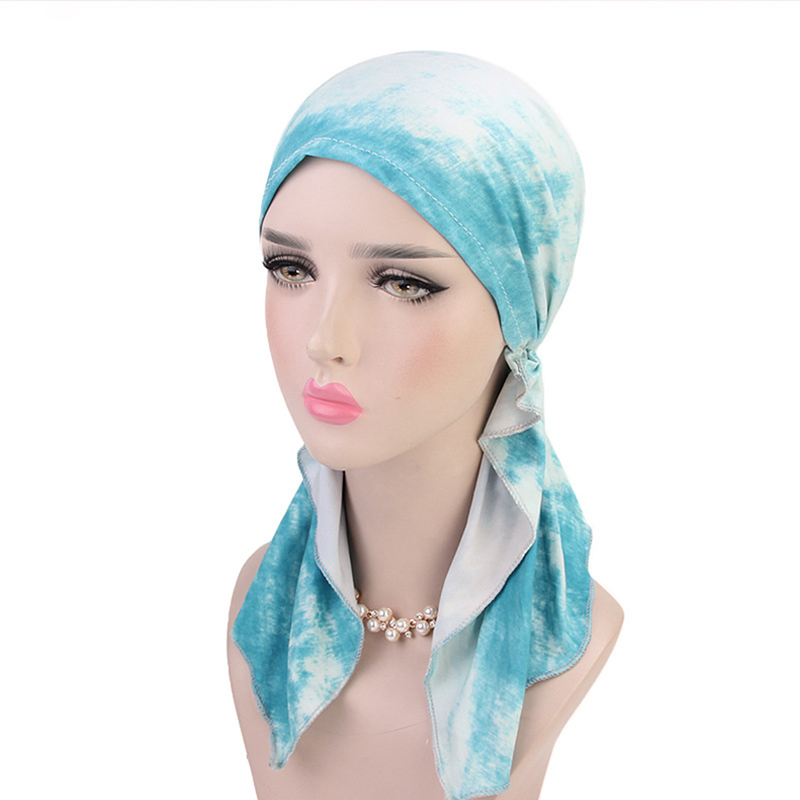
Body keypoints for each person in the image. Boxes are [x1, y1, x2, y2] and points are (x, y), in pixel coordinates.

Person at [227, 51, 623, 800]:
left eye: (403, 283)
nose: (325, 339)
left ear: (521, 307)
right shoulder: (262, 606)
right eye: (291, 270)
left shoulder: (566, 640)